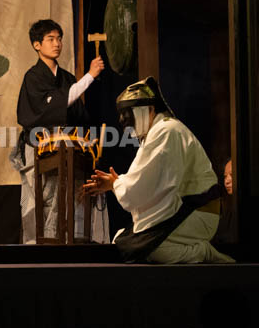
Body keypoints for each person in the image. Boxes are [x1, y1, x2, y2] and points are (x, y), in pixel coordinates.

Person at [83, 76, 234, 263]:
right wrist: (115, 184)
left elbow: (144, 184)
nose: (123, 120)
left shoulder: (167, 131)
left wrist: (116, 184)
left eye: (127, 113)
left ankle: (203, 252)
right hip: (181, 210)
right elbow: (144, 180)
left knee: (147, 250)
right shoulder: (155, 133)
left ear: (150, 109)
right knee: (122, 241)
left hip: (197, 213)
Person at [9, 19, 106, 243]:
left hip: (69, 151)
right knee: (42, 201)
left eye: (59, 39)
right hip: (40, 149)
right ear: (37, 45)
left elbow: (79, 116)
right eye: (50, 39)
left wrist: (88, 145)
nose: (57, 44)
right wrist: (90, 76)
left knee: (71, 199)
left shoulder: (68, 79)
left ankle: (72, 243)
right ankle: (40, 247)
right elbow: (54, 106)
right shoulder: (33, 78)